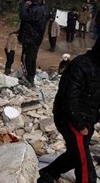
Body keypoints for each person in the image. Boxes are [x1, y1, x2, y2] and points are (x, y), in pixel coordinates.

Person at [37, 39, 100, 183]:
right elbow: (69, 98)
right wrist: (79, 125)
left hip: (88, 119)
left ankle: (47, 174)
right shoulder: (80, 65)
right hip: (70, 120)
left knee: (74, 155)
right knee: (85, 168)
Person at [19, 0, 50, 86]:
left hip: (29, 38)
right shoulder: (44, 9)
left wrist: (24, 6)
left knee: (26, 58)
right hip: (37, 38)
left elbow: (23, 16)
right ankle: (31, 77)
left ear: (29, 1)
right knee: (32, 58)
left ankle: (28, 79)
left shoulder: (33, 10)